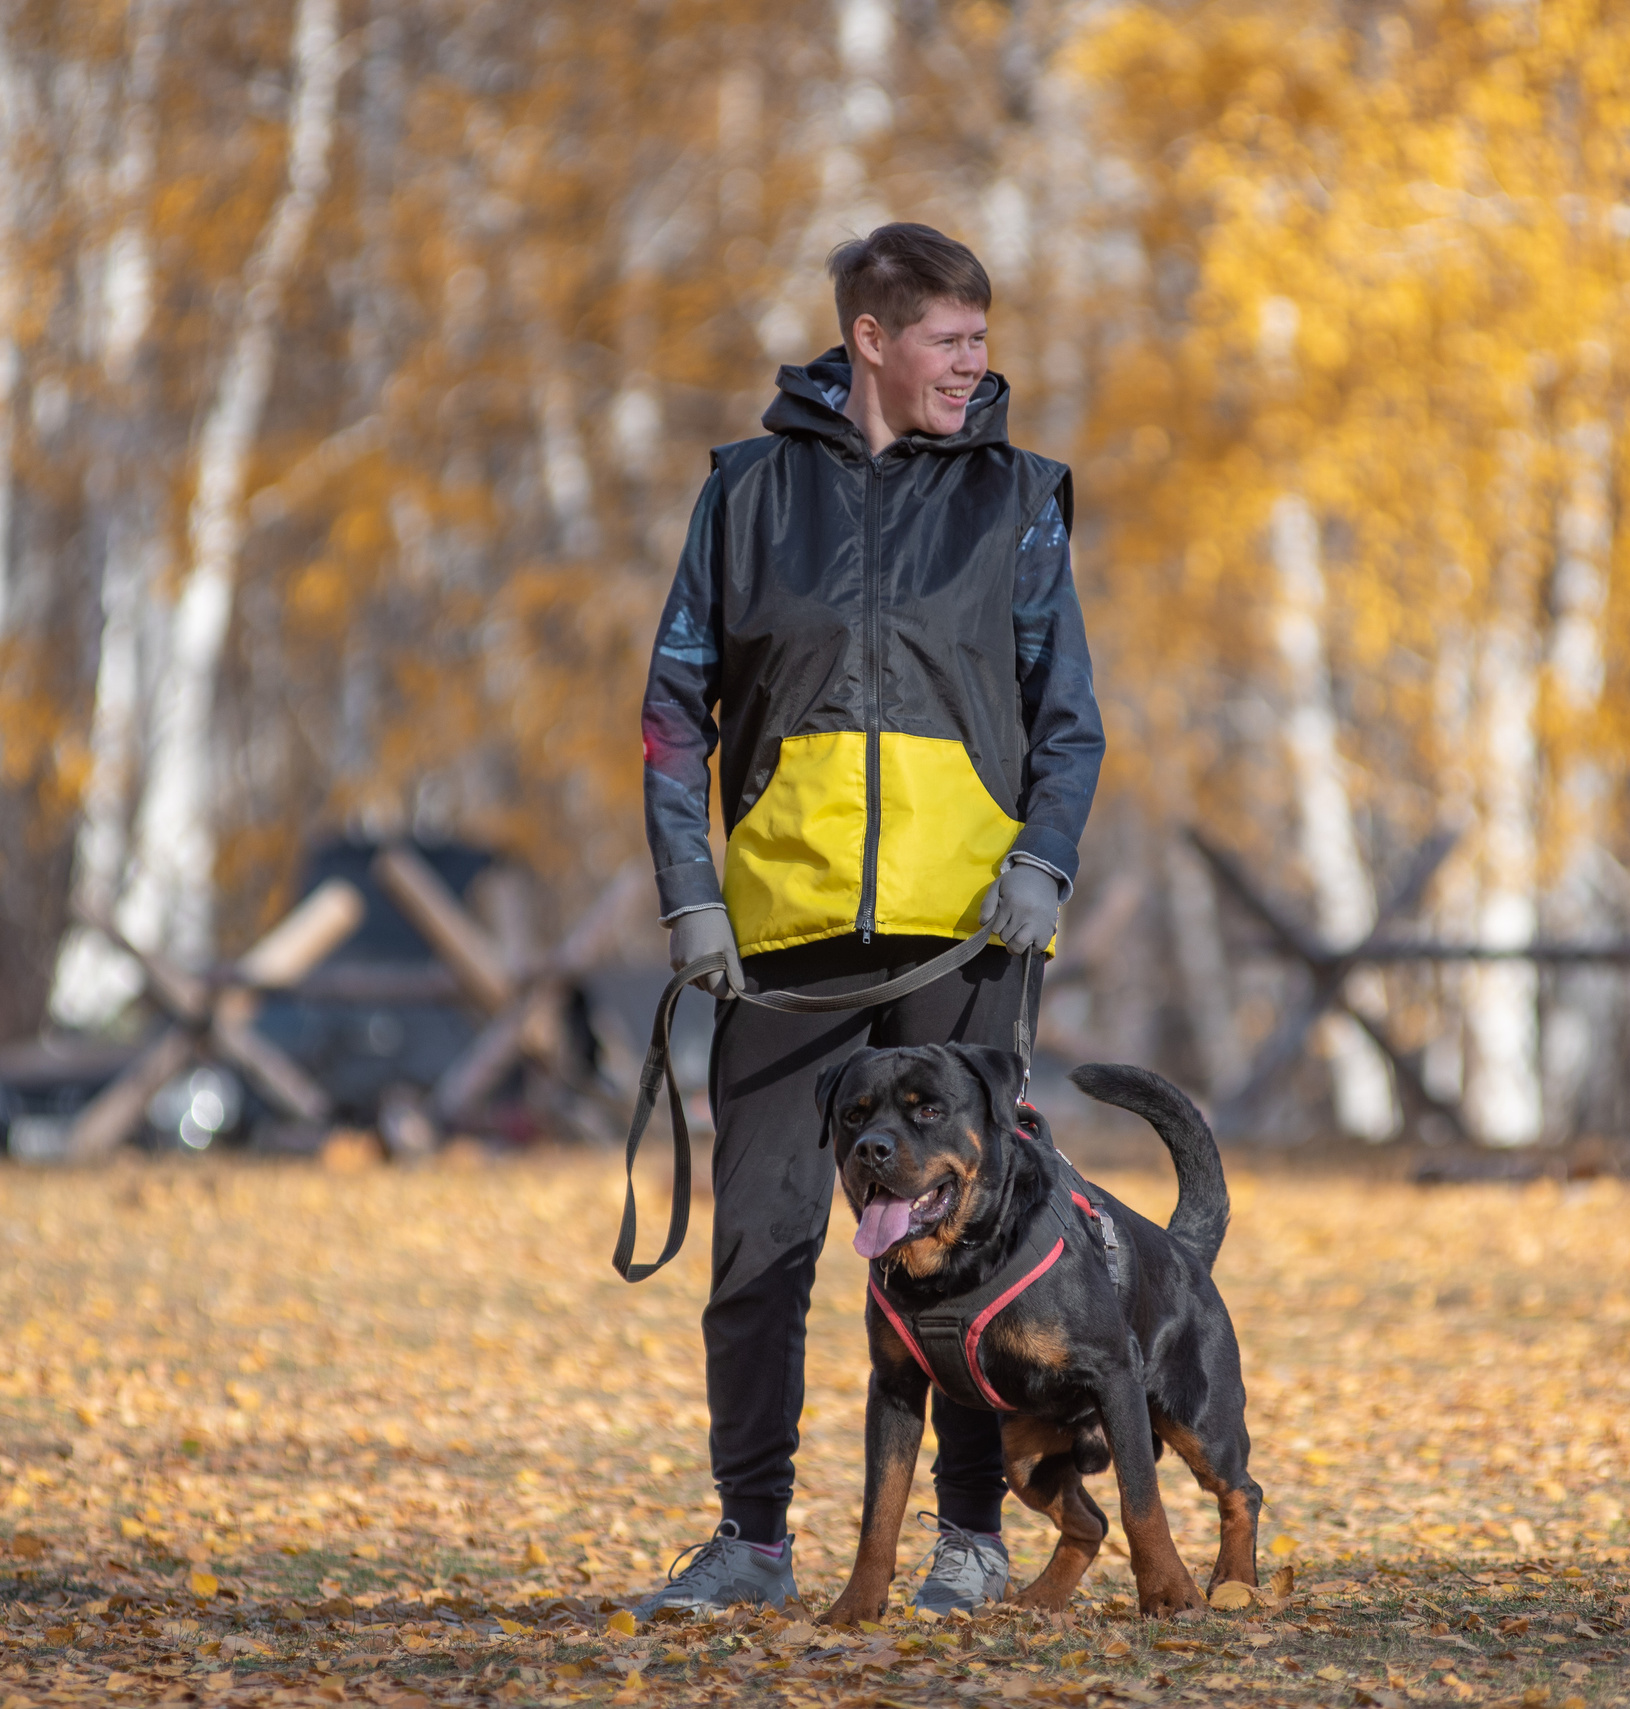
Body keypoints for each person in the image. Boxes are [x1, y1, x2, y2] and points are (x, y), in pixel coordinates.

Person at [633, 222, 1104, 1617]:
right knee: (761, 1247)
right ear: (874, 340)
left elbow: (1068, 721)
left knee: (965, 1258)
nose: (978, 362)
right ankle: (752, 1541)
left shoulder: (1016, 500)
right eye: (952, 339)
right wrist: (689, 890)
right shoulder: (745, 497)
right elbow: (673, 714)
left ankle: (970, 1539)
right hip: (781, 953)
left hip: (966, 939)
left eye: (983, 337)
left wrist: (1045, 864)